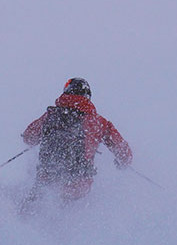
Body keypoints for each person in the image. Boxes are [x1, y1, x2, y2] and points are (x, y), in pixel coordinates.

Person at [19, 77, 132, 210]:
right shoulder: (98, 122)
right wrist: (122, 163)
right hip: (78, 185)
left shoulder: (50, 115)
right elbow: (124, 153)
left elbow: (28, 137)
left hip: (47, 180)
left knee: (32, 212)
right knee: (72, 218)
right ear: (87, 96)